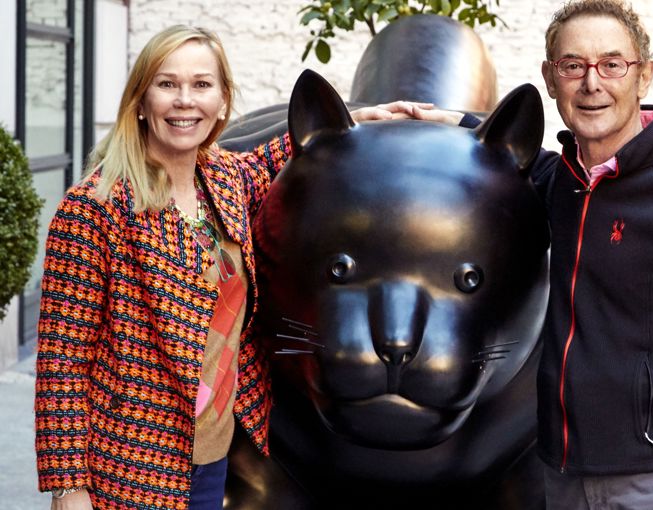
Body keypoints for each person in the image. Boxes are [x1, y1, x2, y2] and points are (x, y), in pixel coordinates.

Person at [34, 25, 421, 510]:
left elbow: (268, 160)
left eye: (201, 84)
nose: (184, 101)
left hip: (213, 455)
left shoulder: (222, 179)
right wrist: (69, 487)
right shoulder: (93, 209)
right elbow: (63, 363)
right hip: (128, 466)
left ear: (221, 103)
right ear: (141, 100)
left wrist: (352, 123)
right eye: (167, 84)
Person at [419, 0, 653, 507]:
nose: (591, 83)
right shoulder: (562, 183)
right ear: (549, 78)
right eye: (572, 65)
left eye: (612, 64)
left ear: (644, 76)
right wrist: (439, 120)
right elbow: (515, 157)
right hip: (562, 474)